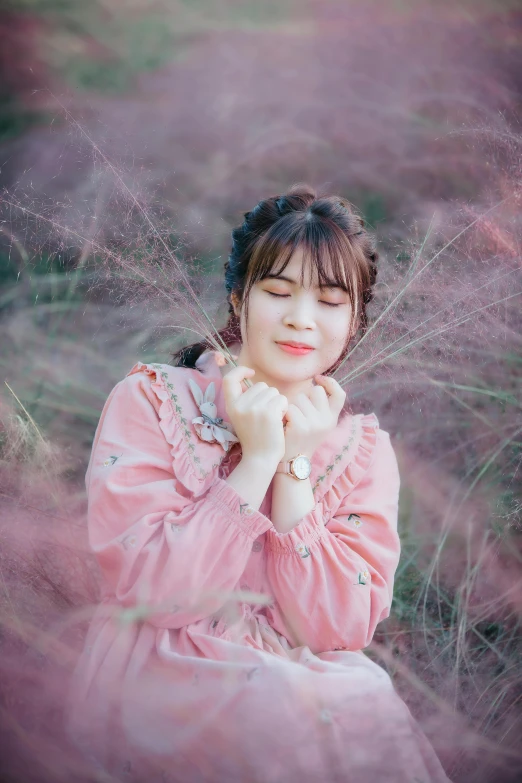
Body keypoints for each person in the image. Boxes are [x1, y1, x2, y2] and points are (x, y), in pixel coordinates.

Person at [67, 184, 452, 782]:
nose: (301, 318)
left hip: (305, 672)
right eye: (278, 292)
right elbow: (156, 593)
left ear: (355, 320)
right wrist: (256, 459)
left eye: (330, 301)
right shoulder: (152, 400)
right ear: (239, 297)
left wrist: (293, 466)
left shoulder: (362, 450)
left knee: (369, 707)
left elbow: (335, 631)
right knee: (276, 710)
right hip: (161, 666)